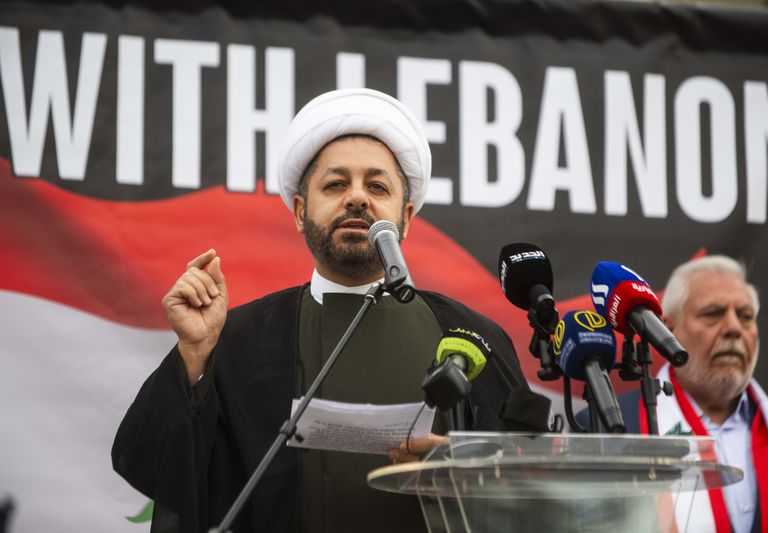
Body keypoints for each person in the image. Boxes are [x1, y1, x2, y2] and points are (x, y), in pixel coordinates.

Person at [112, 88, 532, 533]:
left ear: (405, 217)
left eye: (377, 186)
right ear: (300, 211)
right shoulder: (240, 338)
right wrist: (195, 357)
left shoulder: (471, 336)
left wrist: (464, 474)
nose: (357, 199)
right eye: (335, 184)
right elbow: (151, 467)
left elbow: (533, 493)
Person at [599, 256, 768, 532]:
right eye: (713, 313)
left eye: (745, 316)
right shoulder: (611, 428)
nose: (733, 328)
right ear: (667, 328)